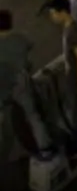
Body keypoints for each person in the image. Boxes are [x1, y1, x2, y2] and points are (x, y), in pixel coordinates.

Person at [0, 9, 53, 163]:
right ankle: (45, 148)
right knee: (32, 115)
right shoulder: (19, 38)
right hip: (21, 80)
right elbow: (29, 52)